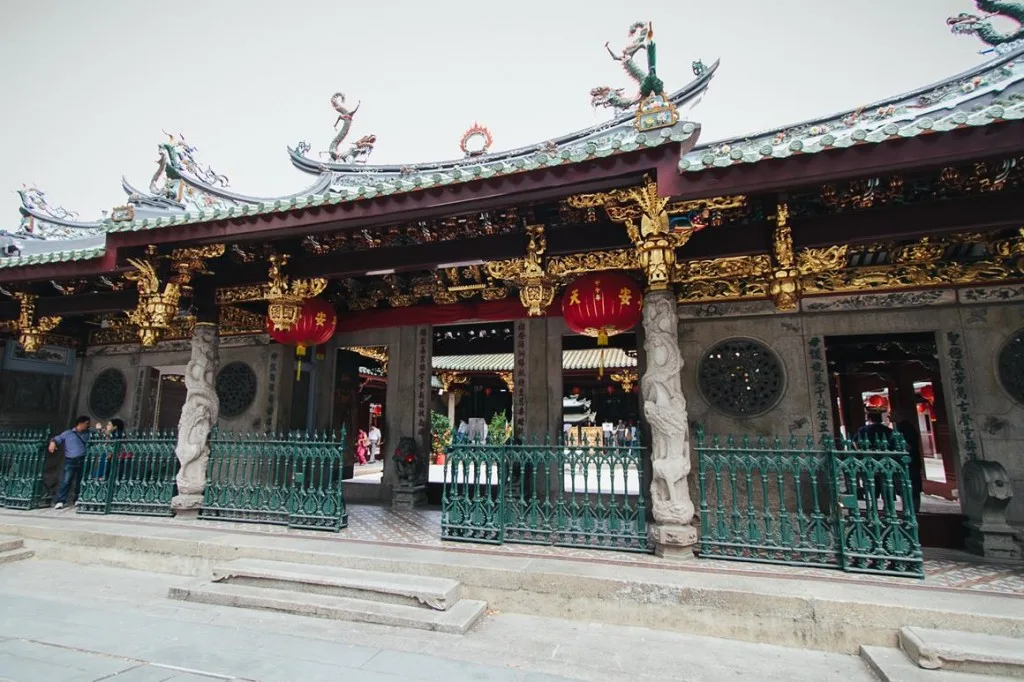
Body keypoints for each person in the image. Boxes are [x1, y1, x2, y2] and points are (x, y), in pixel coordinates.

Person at [49, 415, 93, 509]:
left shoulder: (89, 433)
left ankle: (78, 498)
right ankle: (61, 500)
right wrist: (52, 443)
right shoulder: (68, 434)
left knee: (81, 480)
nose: (88, 425)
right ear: (80, 424)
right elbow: (57, 439)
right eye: (87, 423)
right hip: (70, 460)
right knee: (66, 480)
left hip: (83, 459)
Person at [892, 413, 923, 515]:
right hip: (909, 463)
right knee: (909, 490)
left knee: (908, 489)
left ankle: (910, 512)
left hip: (907, 463)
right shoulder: (907, 427)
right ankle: (912, 511)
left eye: (891, 415)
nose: (890, 417)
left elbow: (907, 445)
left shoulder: (903, 428)